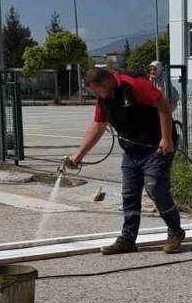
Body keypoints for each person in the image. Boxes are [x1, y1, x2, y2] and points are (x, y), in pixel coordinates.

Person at [67, 68, 184, 255]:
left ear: (106, 83)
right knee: (129, 195)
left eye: (95, 91)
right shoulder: (103, 98)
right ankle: (128, 239)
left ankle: (175, 232)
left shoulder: (134, 85)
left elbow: (163, 104)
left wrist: (166, 139)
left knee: (155, 188)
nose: (95, 96)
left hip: (156, 147)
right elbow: (98, 125)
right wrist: (79, 155)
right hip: (131, 150)